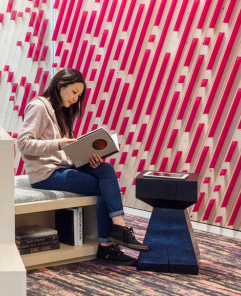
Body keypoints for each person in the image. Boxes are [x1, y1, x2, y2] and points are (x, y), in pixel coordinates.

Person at [16, 68, 149, 264]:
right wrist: (59, 143)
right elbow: (23, 144)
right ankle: (107, 244)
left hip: (63, 166)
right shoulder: (39, 106)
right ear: (61, 84)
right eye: (75, 92)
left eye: (79, 95)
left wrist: (87, 158)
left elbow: (65, 154)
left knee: (105, 169)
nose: (76, 99)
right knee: (103, 186)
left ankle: (118, 229)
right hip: (46, 173)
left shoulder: (62, 112)